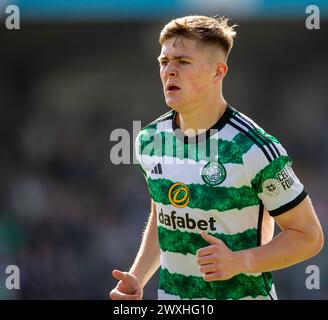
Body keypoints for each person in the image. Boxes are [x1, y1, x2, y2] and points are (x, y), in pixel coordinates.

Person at [110, 15, 324, 300]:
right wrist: (137, 277)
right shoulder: (149, 140)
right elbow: (162, 215)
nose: (169, 71)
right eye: (164, 62)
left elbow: (308, 236)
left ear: (218, 72)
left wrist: (240, 262)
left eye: (183, 62)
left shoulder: (253, 148)